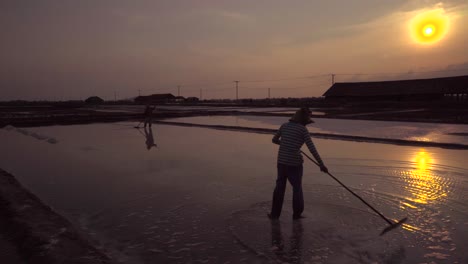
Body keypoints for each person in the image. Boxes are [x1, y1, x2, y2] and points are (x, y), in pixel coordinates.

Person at [269, 107, 328, 220]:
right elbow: (312, 149)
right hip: (294, 164)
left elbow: (274, 140)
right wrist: (321, 164)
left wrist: (286, 144)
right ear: (303, 121)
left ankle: (274, 214)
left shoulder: (284, 126)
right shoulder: (303, 130)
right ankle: (297, 215)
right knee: (297, 189)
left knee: (279, 188)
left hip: (281, 162)